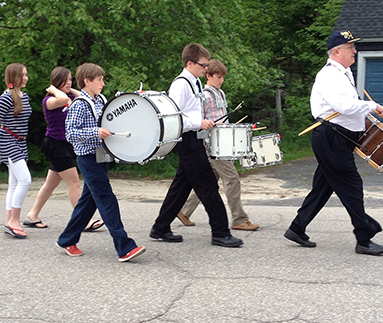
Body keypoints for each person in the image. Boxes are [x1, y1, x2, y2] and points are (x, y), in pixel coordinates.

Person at [284, 30, 383, 255]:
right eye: (350, 47)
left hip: (336, 138)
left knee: (324, 186)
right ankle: (364, 236)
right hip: (332, 137)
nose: (355, 51)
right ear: (336, 51)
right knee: (352, 185)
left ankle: (297, 227)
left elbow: (349, 105)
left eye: (353, 47)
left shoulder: (343, 73)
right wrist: (373, 106)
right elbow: (346, 107)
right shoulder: (330, 75)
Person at [150, 44, 243, 248]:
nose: (206, 68)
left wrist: (207, 122)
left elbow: (193, 111)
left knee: (181, 186)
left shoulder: (196, 83)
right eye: (203, 65)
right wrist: (198, 123)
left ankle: (160, 227)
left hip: (195, 137)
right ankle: (220, 232)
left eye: (207, 64)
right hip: (187, 140)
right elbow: (173, 117)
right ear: (190, 63)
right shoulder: (181, 84)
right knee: (208, 185)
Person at [56, 63, 145, 262]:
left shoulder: (101, 100)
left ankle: (66, 239)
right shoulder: (79, 104)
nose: (103, 84)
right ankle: (124, 247)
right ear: (87, 81)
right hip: (88, 159)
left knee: (88, 203)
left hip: (101, 157)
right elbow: (70, 133)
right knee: (107, 199)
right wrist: (95, 132)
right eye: (99, 80)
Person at [177, 59, 259, 231]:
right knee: (232, 179)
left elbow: (222, 118)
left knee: (210, 181)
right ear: (208, 76)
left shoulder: (220, 94)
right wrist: (206, 124)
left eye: (223, 77)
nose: (221, 80)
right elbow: (198, 118)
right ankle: (238, 219)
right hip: (212, 145)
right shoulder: (204, 95)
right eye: (218, 76)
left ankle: (183, 210)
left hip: (222, 143)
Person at [24, 67, 104, 232]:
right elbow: (61, 100)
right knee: (74, 182)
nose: (69, 83)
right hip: (55, 145)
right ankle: (83, 221)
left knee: (50, 183)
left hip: (65, 145)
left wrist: (70, 89)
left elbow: (84, 96)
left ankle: (33, 214)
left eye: (70, 80)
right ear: (56, 81)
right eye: (65, 80)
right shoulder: (49, 100)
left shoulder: (71, 97)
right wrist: (53, 89)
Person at [0, 63, 32, 239]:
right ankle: (15, 220)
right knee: (25, 180)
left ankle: (9, 221)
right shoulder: (6, 98)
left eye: (26, 75)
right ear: (14, 77)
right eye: (23, 75)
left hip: (21, 142)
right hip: (7, 141)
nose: (26, 78)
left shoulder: (25, 96)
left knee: (14, 184)